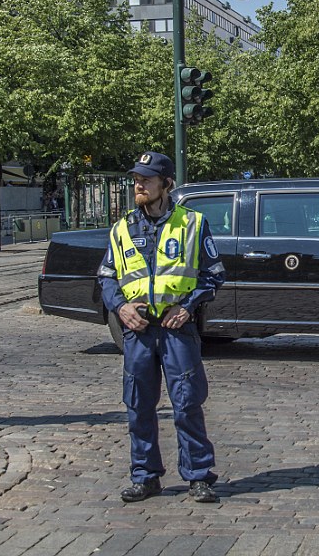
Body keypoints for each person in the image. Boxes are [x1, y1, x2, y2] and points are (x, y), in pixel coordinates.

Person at [97, 151, 226, 504]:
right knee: (138, 404)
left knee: (186, 403)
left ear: (166, 184)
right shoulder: (122, 228)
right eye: (136, 179)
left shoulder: (192, 224)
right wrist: (120, 308)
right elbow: (107, 278)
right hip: (137, 331)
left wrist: (187, 308)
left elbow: (213, 276)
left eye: (147, 179)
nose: (138, 185)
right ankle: (145, 475)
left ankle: (199, 476)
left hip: (175, 329)